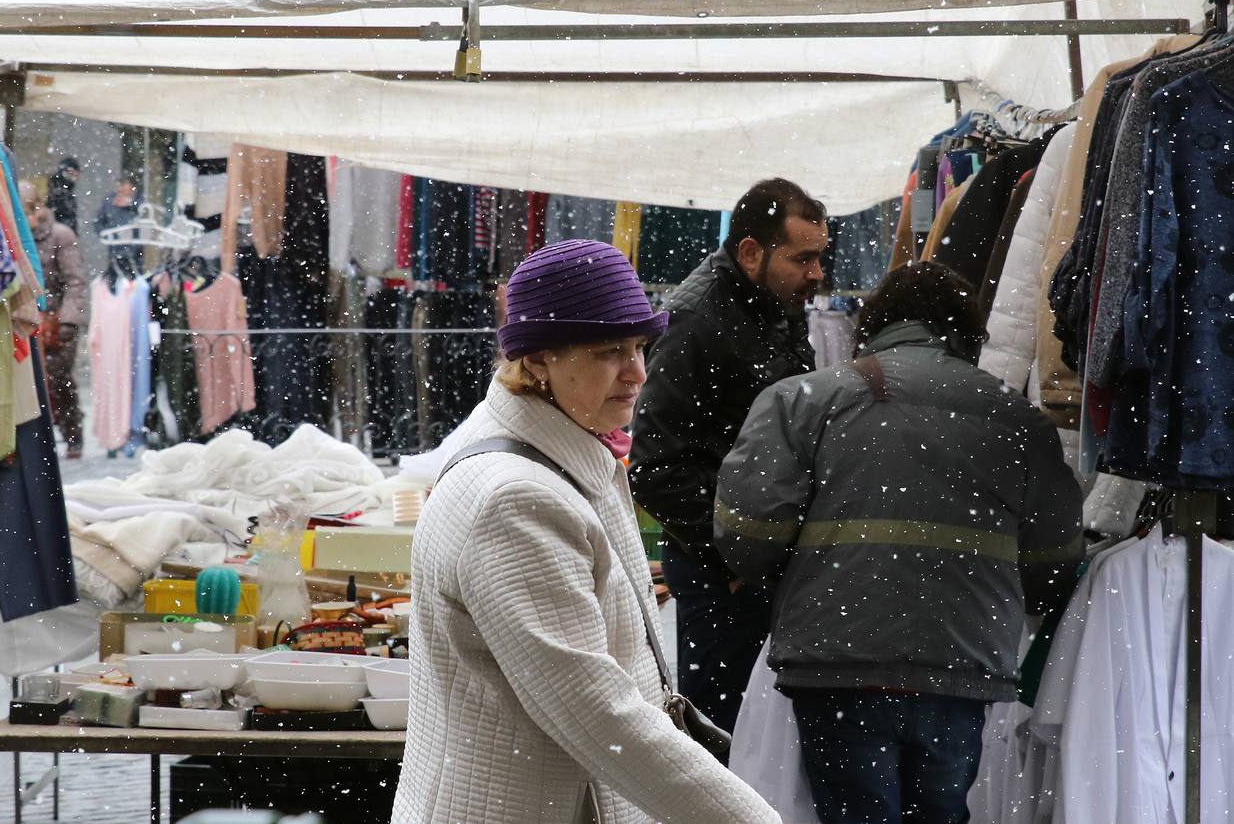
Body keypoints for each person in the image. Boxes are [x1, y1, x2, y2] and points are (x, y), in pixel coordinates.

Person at [393, 240, 780, 824]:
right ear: (539, 359)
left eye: (640, 346)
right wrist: (751, 819)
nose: (638, 372)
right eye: (609, 352)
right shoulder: (514, 498)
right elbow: (596, 710)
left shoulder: (560, 454)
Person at [715, 261, 1084, 824]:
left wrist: (808, 574)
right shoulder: (1020, 422)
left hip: (837, 664)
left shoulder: (803, 399)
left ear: (875, 322)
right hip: (961, 666)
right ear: (968, 330)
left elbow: (747, 536)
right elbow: (1054, 564)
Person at [629, 178, 828, 733]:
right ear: (749, 252)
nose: (816, 273)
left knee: (766, 741)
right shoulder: (696, 323)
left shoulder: (770, 300)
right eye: (803, 258)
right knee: (723, 737)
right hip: (724, 575)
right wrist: (734, 558)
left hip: (766, 563)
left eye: (820, 257)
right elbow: (654, 469)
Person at [22, 181, 87, 459]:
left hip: (56, 320)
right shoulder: (18, 234)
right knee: (32, 384)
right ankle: (38, 440)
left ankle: (72, 434)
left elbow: (75, 281)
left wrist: (68, 321)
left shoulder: (60, 235)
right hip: (28, 319)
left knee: (60, 381)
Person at [96, 173, 142, 273]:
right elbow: (98, 222)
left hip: (135, 252)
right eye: (119, 185)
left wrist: (130, 205)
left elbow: (142, 224)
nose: (121, 189)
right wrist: (108, 235)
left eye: (125, 185)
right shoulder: (109, 202)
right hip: (114, 250)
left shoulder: (139, 203)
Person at [45, 156, 81, 231]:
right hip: (60, 233)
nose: (76, 176)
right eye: (73, 173)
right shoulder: (58, 189)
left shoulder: (65, 189)